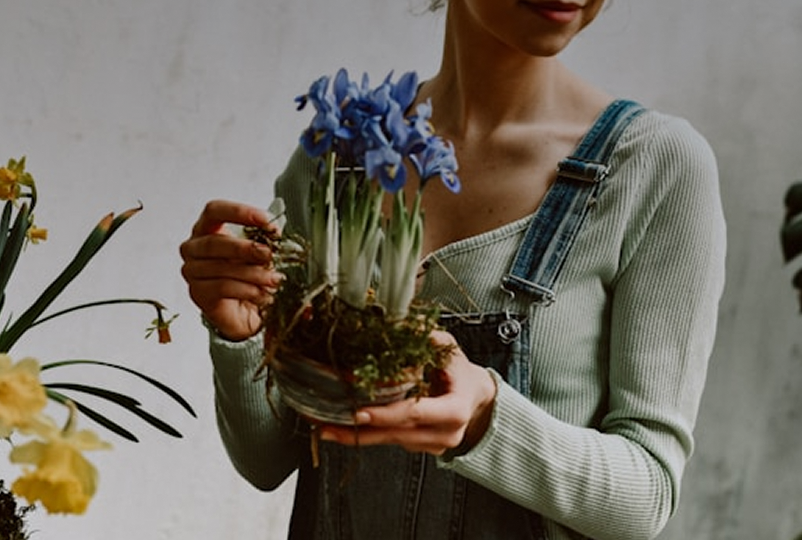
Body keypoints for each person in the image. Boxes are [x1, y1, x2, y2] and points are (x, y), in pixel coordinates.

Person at [179, 1, 726, 539]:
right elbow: (268, 460)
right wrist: (240, 334)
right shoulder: (341, 157)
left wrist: (487, 416)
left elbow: (646, 494)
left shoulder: (654, 166)